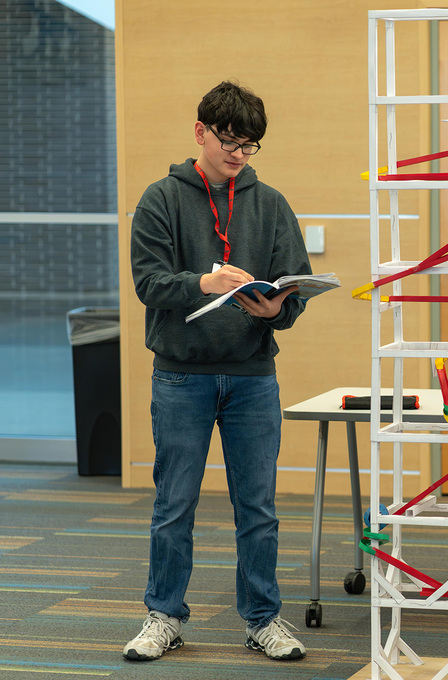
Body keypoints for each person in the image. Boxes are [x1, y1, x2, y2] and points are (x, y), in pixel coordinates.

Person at [125, 80, 311, 662]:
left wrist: (280, 307)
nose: (238, 154)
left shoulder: (271, 203)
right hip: (181, 376)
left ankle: (263, 619)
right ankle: (164, 617)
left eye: (250, 145)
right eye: (229, 141)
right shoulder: (161, 198)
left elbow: (295, 280)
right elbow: (148, 283)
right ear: (200, 132)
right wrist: (203, 283)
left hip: (253, 376)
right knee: (174, 504)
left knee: (257, 507)